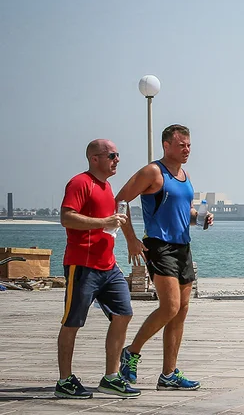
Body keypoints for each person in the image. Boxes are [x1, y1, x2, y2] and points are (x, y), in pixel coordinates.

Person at [115, 124, 212, 390]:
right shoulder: (153, 172)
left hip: (183, 246)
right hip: (159, 246)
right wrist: (131, 239)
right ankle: (131, 353)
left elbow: (185, 211)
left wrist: (200, 218)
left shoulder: (185, 174)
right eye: (181, 145)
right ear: (166, 146)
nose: (187, 150)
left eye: (189, 145)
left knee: (180, 312)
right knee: (169, 307)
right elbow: (120, 201)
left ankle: (168, 375)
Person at [55, 139, 140, 399]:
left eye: (117, 155)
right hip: (82, 265)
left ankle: (111, 377)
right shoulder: (80, 183)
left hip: (109, 266)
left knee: (123, 314)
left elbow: (114, 222)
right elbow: (66, 217)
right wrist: (104, 220)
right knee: (73, 322)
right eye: (112, 155)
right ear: (95, 158)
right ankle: (65, 380)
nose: (117, 160)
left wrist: (130, 240)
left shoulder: (107, 186)